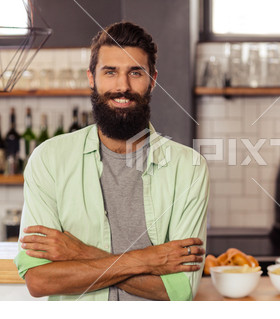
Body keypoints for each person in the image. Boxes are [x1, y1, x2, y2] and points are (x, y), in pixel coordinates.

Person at [14, 21, 209, 301]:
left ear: (152, 80)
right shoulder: (49, 159)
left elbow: (179, 290)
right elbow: (40, 280)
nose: (123, 86)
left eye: (135, 72)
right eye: (110, 72)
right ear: (91, 78)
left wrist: (79, 254)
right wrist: (148, 259)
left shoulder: (190, 168)